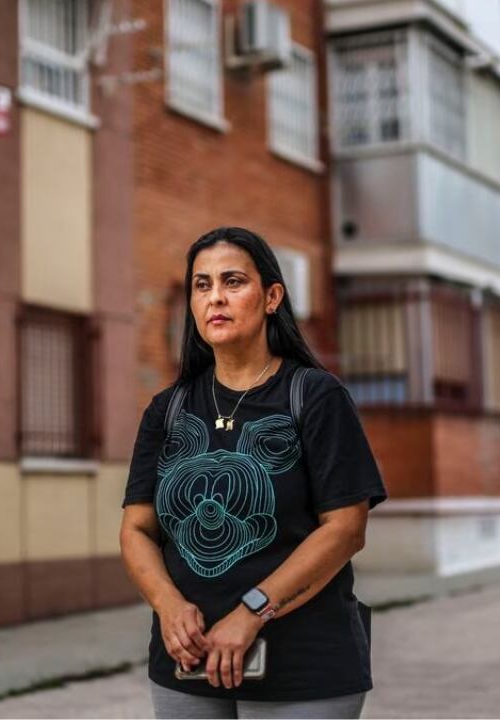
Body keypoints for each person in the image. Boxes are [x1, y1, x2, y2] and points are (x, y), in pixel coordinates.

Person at [120, 226, 387, 719]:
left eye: (233, 281)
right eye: (202, 285)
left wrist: (251, 613)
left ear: (271, 297)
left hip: (304, 668)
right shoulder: (168, 410)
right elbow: (137, 528)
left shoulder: (315, 397)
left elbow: (346, 530)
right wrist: (169, 607)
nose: (215, 297)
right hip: (188, 664)